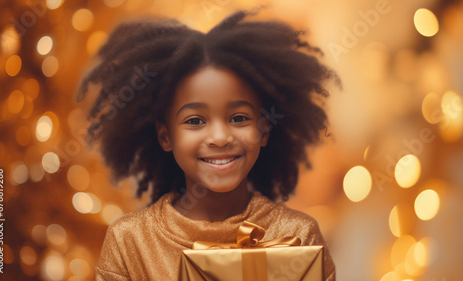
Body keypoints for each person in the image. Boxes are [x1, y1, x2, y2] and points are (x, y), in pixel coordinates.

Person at [78, 8, 338, 281]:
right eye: (195, 120)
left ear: (264, 129)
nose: (220, 137)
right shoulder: (129, 241)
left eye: (238, 118)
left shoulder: (300, 235)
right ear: (165, 137)